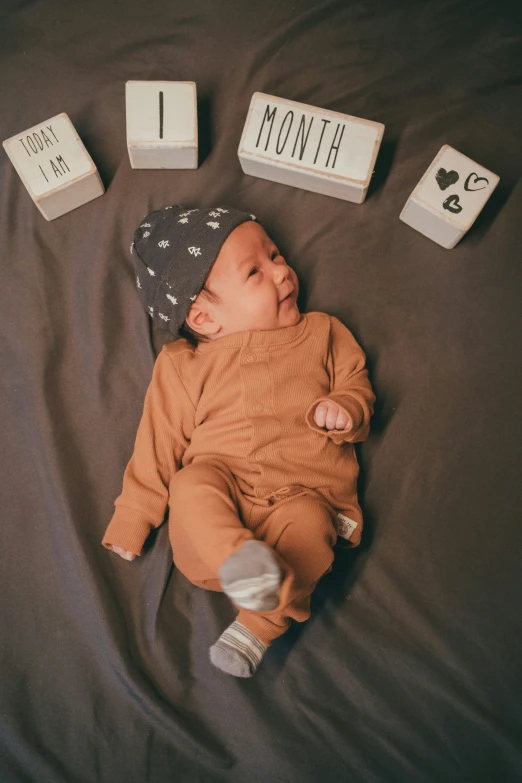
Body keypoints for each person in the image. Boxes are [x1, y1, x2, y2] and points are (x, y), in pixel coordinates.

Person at [101, 204, 375, 678]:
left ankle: (256, 627)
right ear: (203, 318)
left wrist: (347, 408)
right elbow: (159, 441)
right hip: (214, 530)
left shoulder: (322, 332)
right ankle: (243, 564)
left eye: (275, 254)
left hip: (301, 502)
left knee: (312, 522)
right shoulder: (183, 364)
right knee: (191, 482)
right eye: (256, 271)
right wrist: (132, 518)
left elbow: (357, 384)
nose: (282, 271)